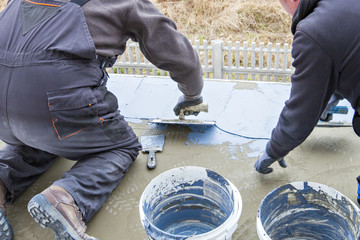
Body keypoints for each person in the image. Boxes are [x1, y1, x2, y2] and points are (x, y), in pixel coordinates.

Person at [0, 0, 204, 239]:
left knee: (37, 140)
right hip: (54, 99)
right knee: (120, 147)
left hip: (6, 113)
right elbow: (174, 49)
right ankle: (65, 199)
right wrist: (192, 94)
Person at [254, 0, 360, 174]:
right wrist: (332, 95)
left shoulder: (314, 31)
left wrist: (273, 150)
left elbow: (301, 112)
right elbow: (350, 51)